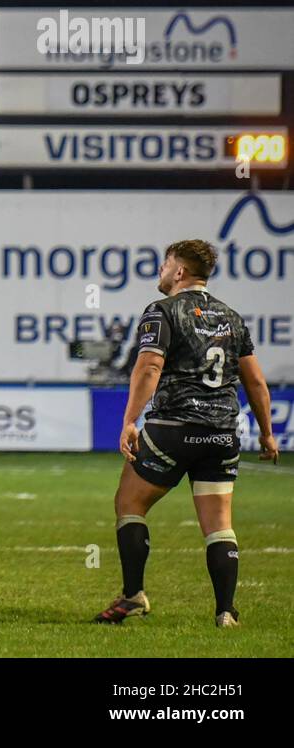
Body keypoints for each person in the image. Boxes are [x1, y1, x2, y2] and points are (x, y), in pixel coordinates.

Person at [94, 239, 279, 628]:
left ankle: (133, 595)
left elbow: (148, 369)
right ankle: (226, 611)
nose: (160, 271)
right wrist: (267, 433)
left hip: (173, 430)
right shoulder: (231, 316)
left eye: (164, 264)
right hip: (222, 433)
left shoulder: (161, 311)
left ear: (179, 271)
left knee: (129, 503)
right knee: (219, 524)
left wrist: (130, 420)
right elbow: (257, 383)